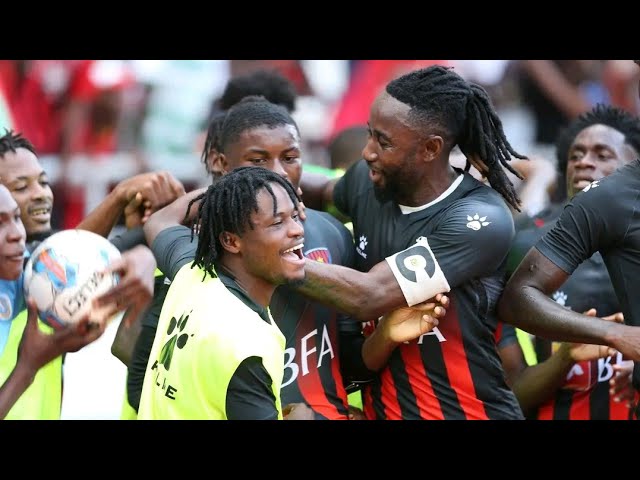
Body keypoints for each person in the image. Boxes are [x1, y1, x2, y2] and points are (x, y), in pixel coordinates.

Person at [296, 65, 527, 419]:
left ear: (430, 149)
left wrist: (274, 259)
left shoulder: (479, 219)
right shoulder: (367, 180)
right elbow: (319, 187)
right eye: (370, 134)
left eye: (383, 142)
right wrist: (253, 185)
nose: (367, 152)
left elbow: (368, 295)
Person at [0, 129, 180, 419]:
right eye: (21, 188)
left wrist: (142, 243)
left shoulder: (25, 273)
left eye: (44, 182)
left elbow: (66, 264)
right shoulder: (18, 275)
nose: (41, 195)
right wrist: (119, 198)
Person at [498, 60, 640, 418]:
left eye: (602, 154)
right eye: (575, 155)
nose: (584, 163)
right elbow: (508, 396)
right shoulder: (526, 242)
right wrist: (585, 346)